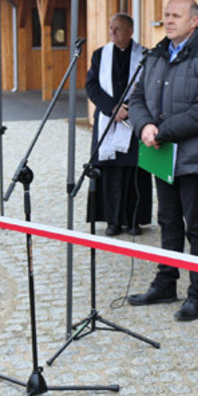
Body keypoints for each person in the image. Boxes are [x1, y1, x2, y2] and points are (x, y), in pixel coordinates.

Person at [127, 0, 198, 321]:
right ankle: (166, 281)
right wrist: (144, 126)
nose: (168, 21)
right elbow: (138, 97)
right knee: (167, 220)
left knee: (196, 225)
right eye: (166, 15)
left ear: (194, 21)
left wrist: (162, 131)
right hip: (160, 154)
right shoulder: (155, 55)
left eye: (175, 16)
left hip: (192, 157)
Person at [85, 13, 152, 236]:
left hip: (134, 119)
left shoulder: (144, 56)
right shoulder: (99, 55)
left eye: (118, 29)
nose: (113, 33)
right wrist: (112, 108)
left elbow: (150, 88)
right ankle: (112, 220)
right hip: (108, 118)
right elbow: (92, 86)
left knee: (134, 172)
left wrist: (131, 109)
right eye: (111, 28)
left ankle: (134, 220)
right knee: (110, 172)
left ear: (130, 31)